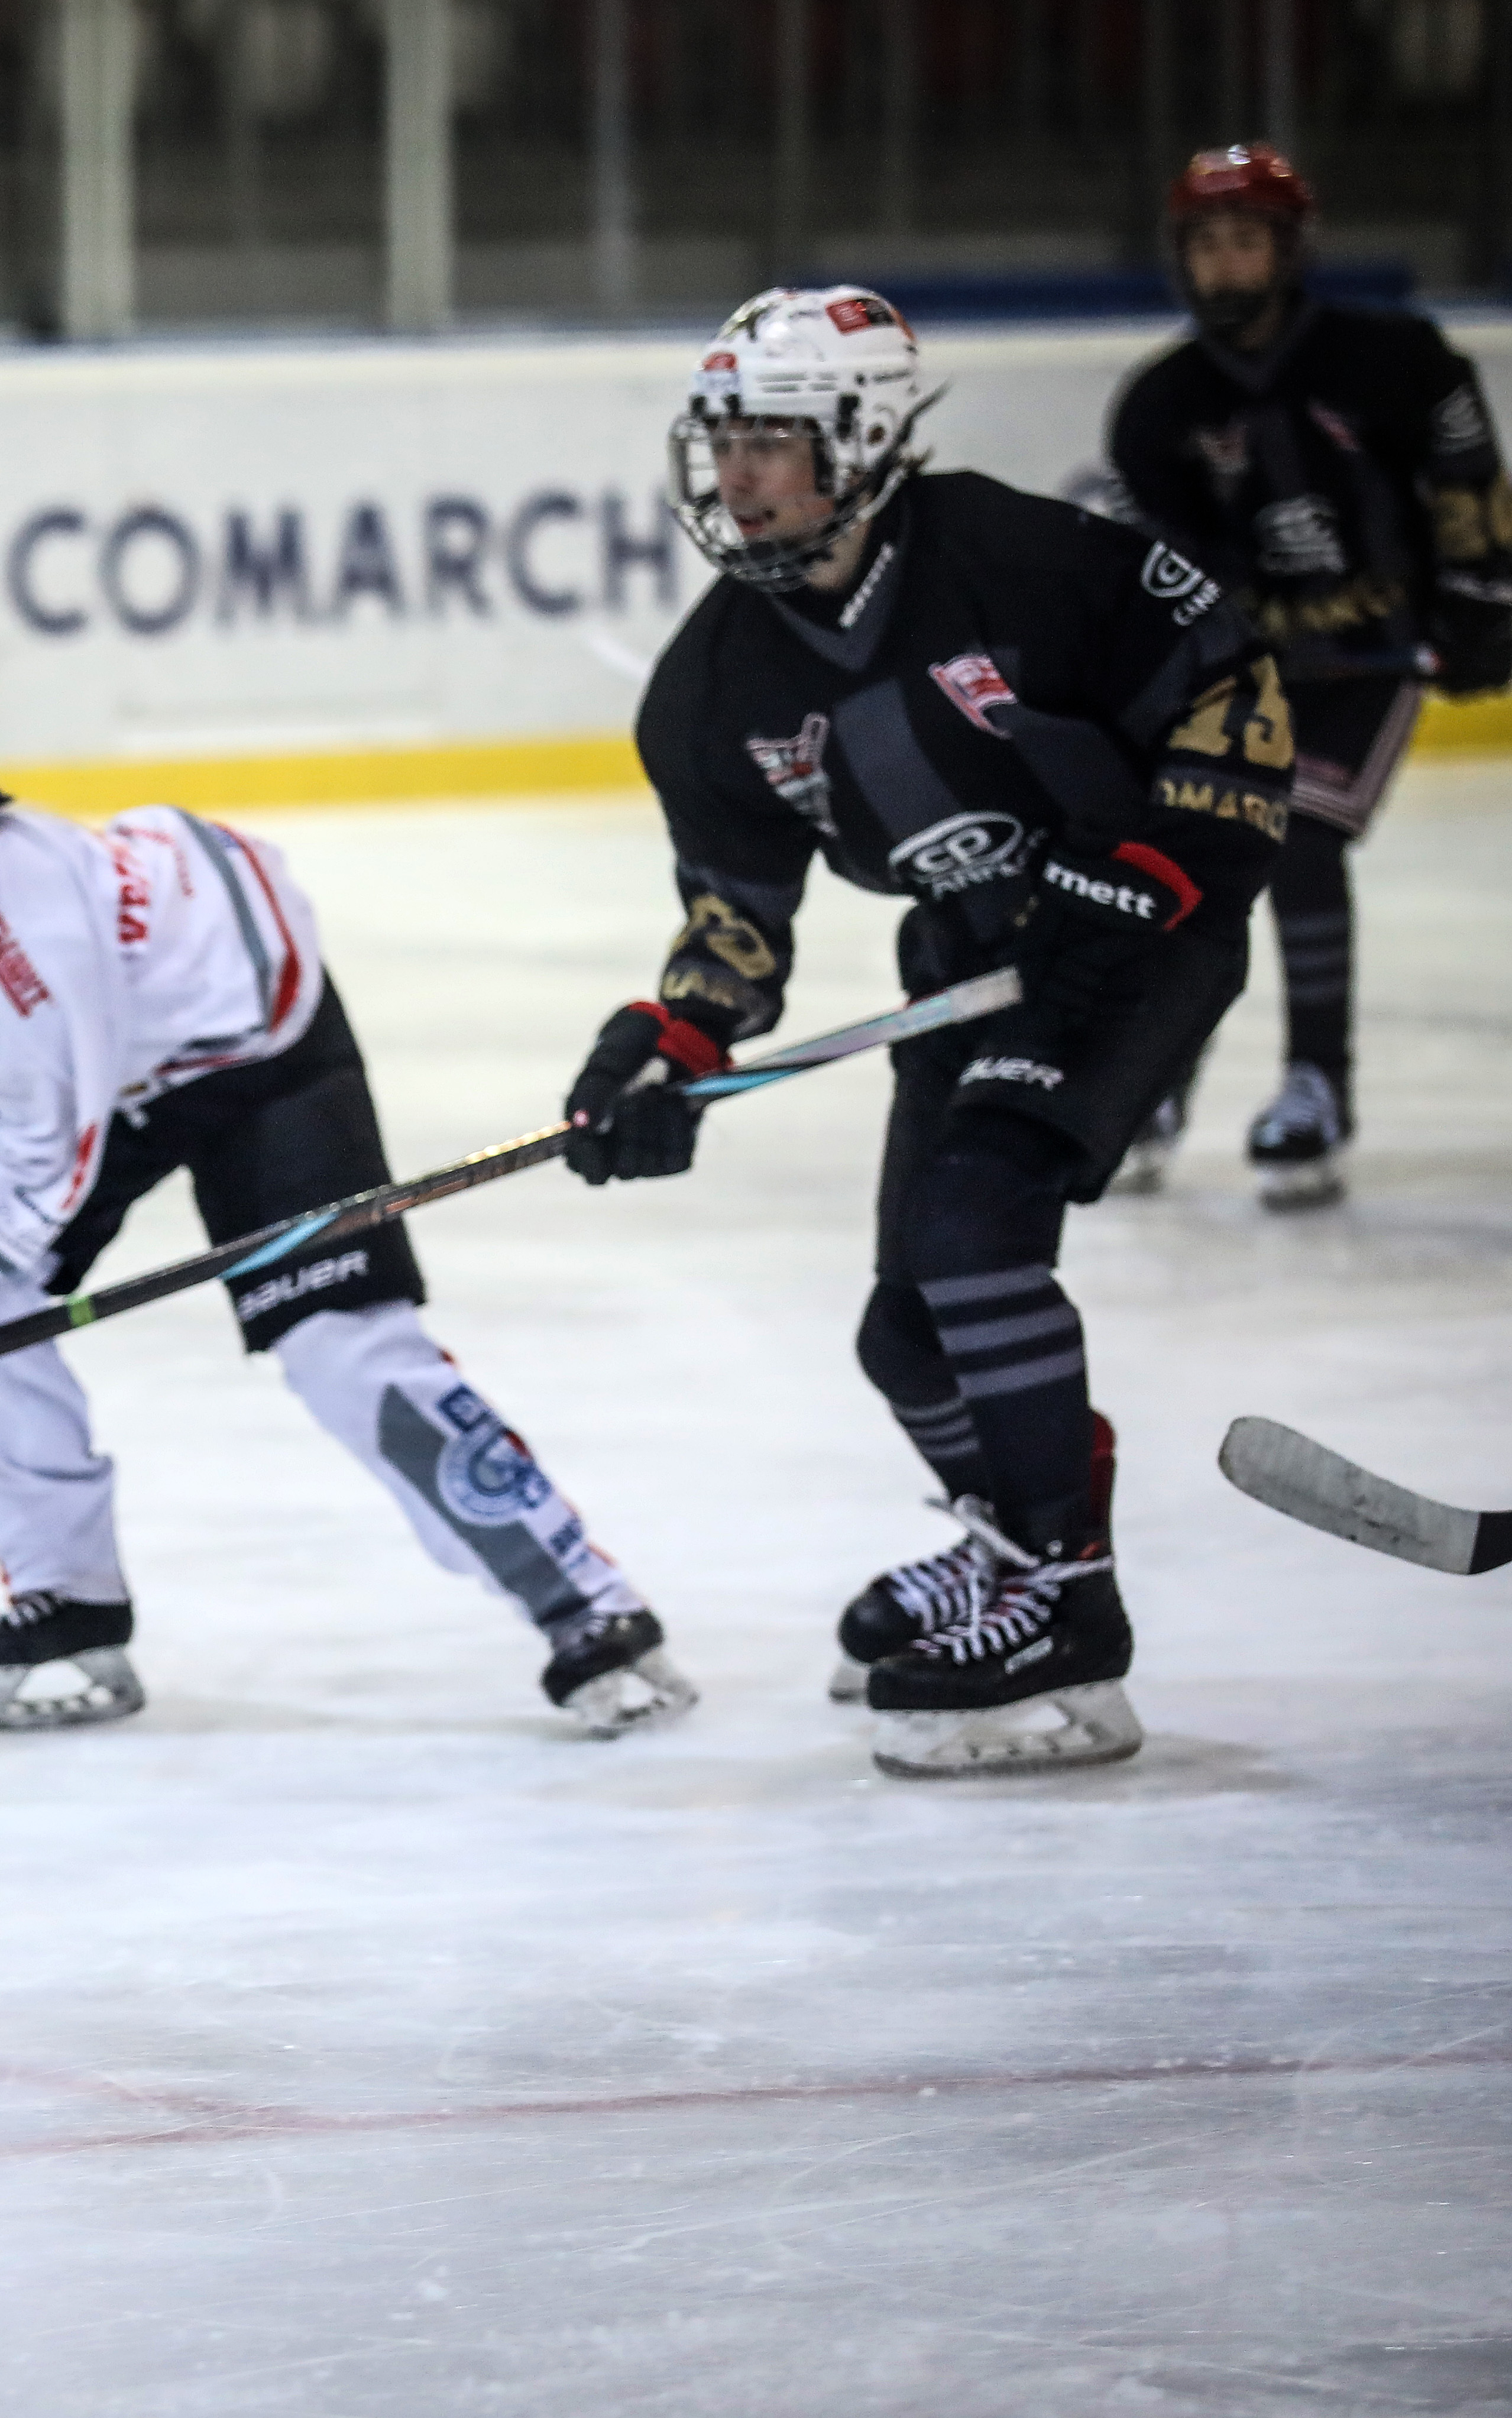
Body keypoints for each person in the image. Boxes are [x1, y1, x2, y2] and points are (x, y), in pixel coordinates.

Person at [569, 286, 1293, 1778]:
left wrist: (1166, 858)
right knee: (904, 1331)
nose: (738, 475)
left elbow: (1225, 674)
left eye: (773, 438)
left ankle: (1068, 1615)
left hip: (1130, 930)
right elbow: (734, 925)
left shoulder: (1020, 555)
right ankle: (1016, 1545)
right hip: (967, 958)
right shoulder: (710, 688)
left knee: (975, 1236)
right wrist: (670, 1042)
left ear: (865, 433)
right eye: (723, 441)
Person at [0, 642, 691, 1741]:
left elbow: (47, 1169)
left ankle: (583, 1599)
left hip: (257, 1057)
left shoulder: (34, 931)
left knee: (340, 1347)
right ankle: (68, 1597)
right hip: (115, 1056)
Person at [1105, 143, 1512, 1207]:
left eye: (1247, 243)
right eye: (1207, 246)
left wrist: (1480, 597)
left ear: (1288, 252)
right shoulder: (1158, 406)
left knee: (1300, 839)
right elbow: (1156, 561)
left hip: (1369, 661)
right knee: (1199, 848)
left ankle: (1314, 1085)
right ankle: (1159, 1078)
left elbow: (1466, 479)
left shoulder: (1398, 360)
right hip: (1247, 672)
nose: (1227, 268)